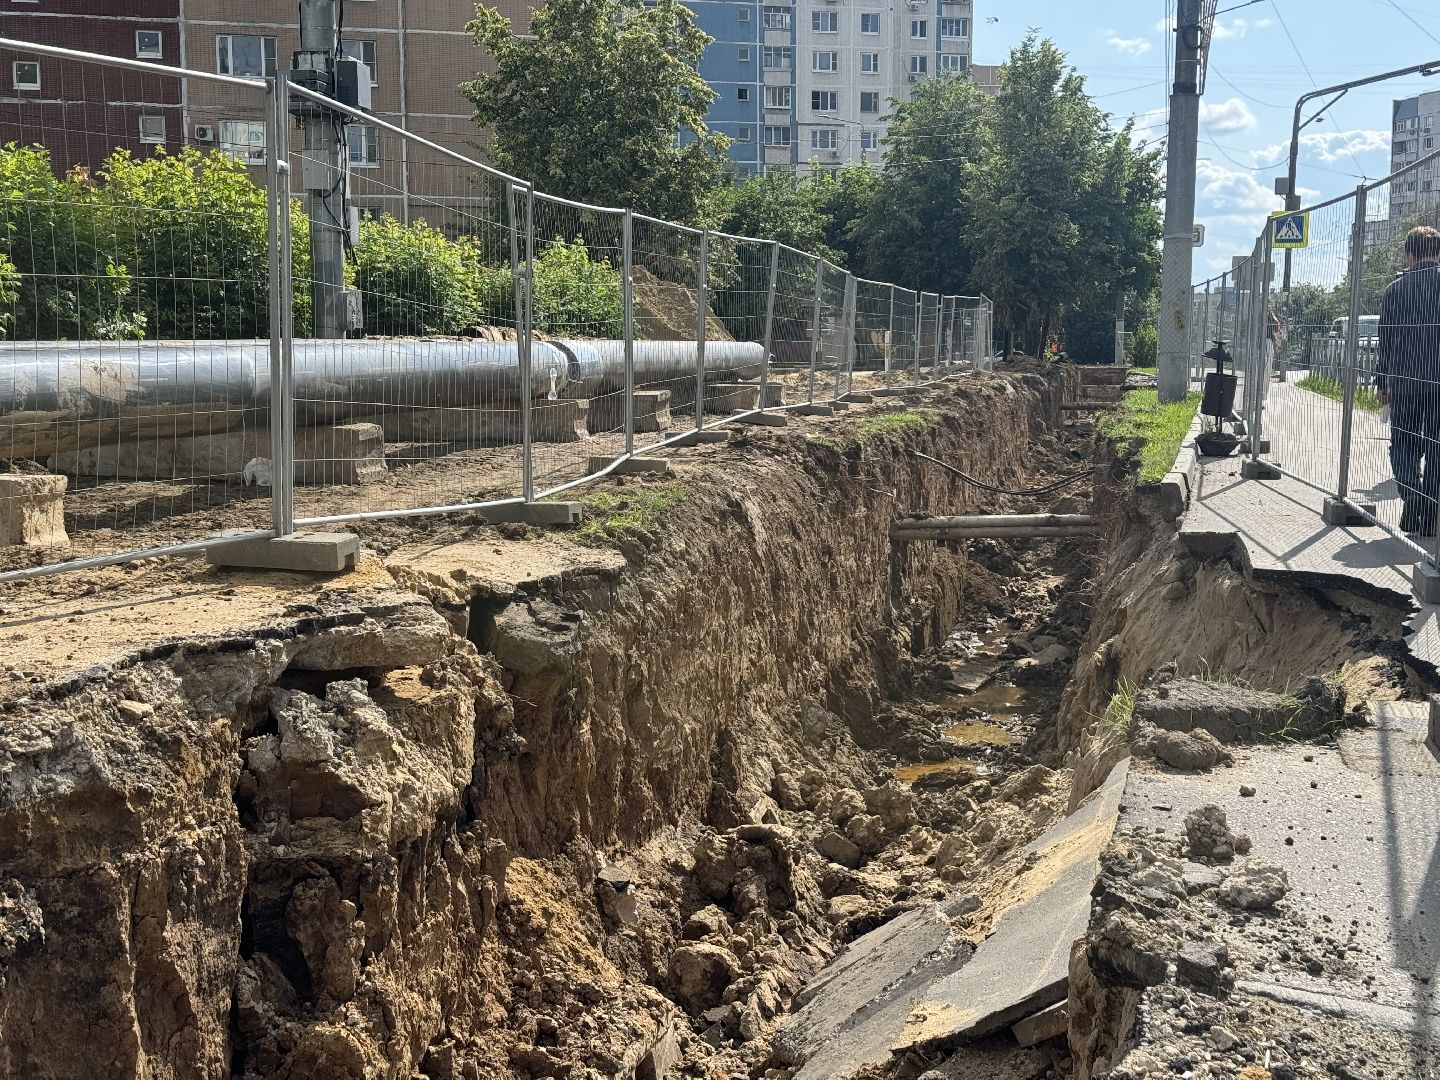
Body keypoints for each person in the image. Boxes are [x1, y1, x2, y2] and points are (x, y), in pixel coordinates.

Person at [1376, 225, 1440, 535]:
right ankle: (1429, 518)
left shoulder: (1395, 290)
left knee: (1403, 444)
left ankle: (1411, 494)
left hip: (1404, 380)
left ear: (1409, 254)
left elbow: (1385, 343)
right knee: (1438, 448)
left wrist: (1381, 383)